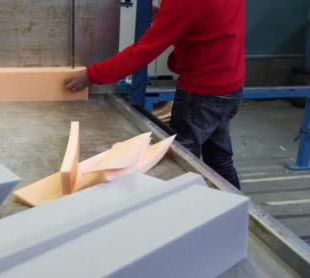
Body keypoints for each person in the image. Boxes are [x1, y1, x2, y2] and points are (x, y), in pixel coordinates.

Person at [65, 0, 245, 189]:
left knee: (182, 163)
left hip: (201, 95)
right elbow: (208, 21)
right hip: (230, 87)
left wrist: (91, 75)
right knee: (219, 159)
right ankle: (239, 209)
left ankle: (187, 209)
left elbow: (142, 52)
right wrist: (166, 16)